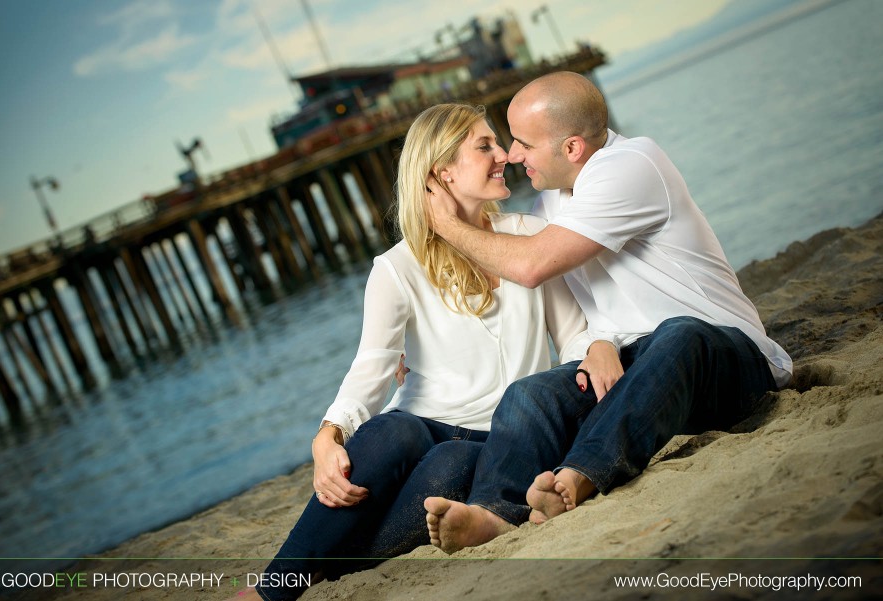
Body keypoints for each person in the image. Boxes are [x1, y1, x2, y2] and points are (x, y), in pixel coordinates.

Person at [234, 103, 608, 601]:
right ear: (441, 172)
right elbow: (373, 365)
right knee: (393, 430)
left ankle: (333, 562)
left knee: (452, 466)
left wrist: (594, 353)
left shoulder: (528, 240)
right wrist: (328, 436)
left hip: (497, 436)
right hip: (420, 423)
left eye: (499, 143)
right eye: (484, 146)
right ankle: (272, 591)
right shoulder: (395, 268)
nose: (504, 155)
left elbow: (572, 336)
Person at [422, 71, 793, 553]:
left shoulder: (632, 165)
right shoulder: (550, 201)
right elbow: (588, 301)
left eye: (523, 144)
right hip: (639, 370)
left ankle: (580, 474)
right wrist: (600, 343)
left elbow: (531, 266)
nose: (512, 156)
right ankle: (495, 513)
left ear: (572, 147)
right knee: (531, 395)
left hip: (729, 359)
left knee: (679, 334)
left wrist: (445, 224)